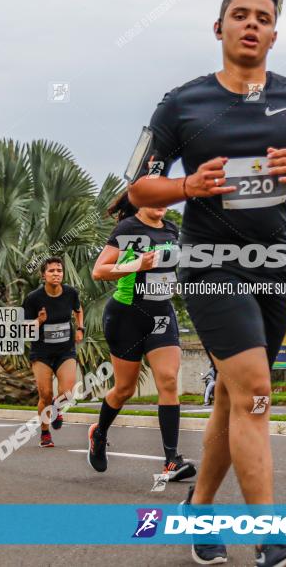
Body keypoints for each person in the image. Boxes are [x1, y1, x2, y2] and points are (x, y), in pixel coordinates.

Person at [127, 0, 286, 564]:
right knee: (255, 391)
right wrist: (185, 186)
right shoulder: (182, 103)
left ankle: (198, 513)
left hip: (273, 265)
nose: (251, 25)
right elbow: (138, 184)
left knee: (232, 395)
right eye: (239, 15)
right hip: (209, 263)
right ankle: (271, 538)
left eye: (263, 18)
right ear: (218, 28)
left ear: (274, 34)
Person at [88, 192, 196, 483]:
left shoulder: (172, 229)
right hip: (126, 316)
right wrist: (137, 265)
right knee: (124, 389)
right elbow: (99, 271)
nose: (162, 201)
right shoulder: (127, 229)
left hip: (161, 314)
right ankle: (99, 434)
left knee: (169, 380)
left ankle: (171, 460)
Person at [22, 256, 84, 448]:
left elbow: (78, 309)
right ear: (43, 275)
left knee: (67, 393)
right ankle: (45, 433)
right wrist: (39, 321)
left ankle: (57, 408)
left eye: (59, 270)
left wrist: (80, 328)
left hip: (66, 350)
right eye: (51, 271)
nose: (56, 274)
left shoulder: (70, 293)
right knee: (45, 394)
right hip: (42, 354)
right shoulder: (33, 298)